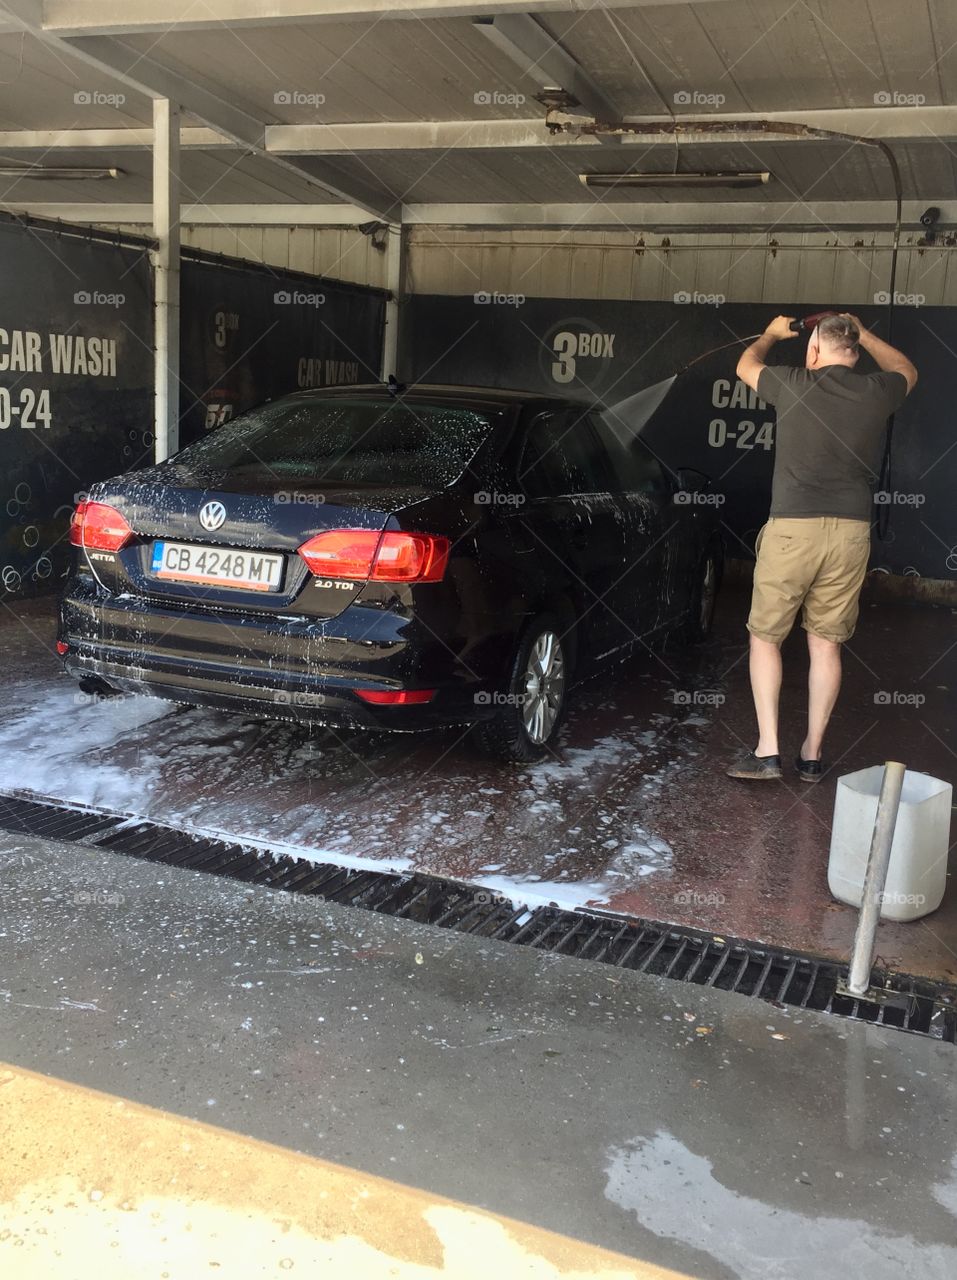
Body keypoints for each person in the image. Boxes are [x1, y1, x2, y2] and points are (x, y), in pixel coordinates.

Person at [727, 312, 917, 782]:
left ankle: (767, 752)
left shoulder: (791, 383)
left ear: (813, 353)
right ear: (853, 353)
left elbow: (745, 367)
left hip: (793, 530)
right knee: (826, 645)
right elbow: (908, 370)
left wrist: (769, 335)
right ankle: (811, 755)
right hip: (851, 533)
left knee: (766, 637)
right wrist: (863, 331)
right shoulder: (876, 391)